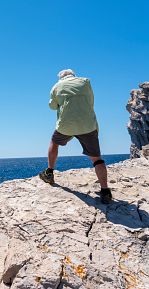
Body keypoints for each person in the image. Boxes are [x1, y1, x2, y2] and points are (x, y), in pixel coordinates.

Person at [39, 69, 112, 204]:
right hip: (87, 124)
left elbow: (53, 106)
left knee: (54, 143)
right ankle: (105, 191)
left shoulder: (56, 87)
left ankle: (49, 173)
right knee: (96, 158)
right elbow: (91, 100)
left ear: (61, 79)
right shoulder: (85, 82)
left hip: (66, 124)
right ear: (74, 76)